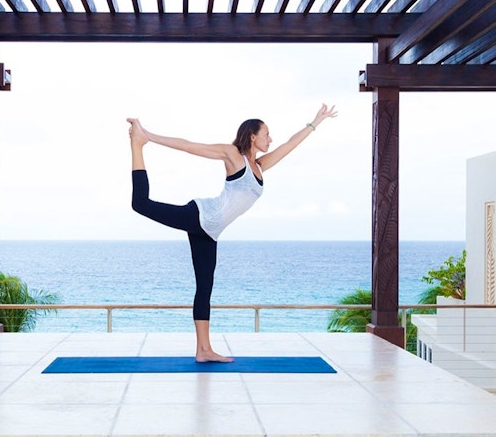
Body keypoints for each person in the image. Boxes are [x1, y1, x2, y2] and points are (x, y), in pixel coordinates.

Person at [127, 104, 338, 362]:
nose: (271, 139)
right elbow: (190, 145)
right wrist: (149, 135)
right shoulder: (232, 155)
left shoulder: (259, 166)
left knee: (204, 288)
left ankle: (203, 351)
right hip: (200, 215)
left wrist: (315, 122)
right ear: (253, 136)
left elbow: (290, 145)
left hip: (210, 232)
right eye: (267, 134)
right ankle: (137, 144)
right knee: (140, 204)